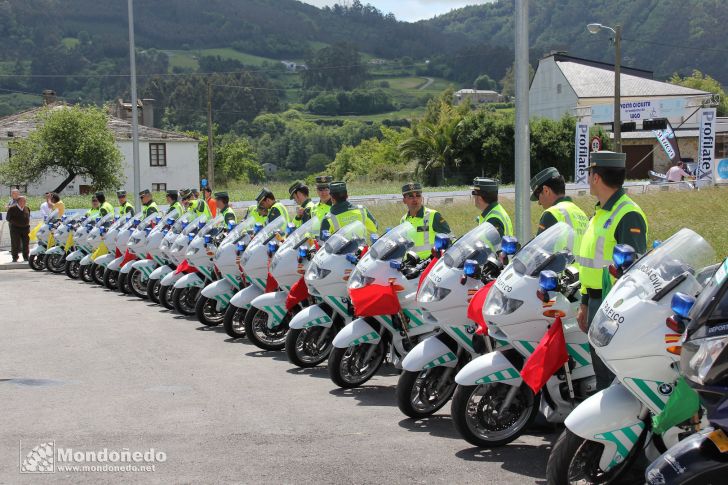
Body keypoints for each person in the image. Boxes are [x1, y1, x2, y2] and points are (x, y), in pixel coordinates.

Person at [577, 151, 648, 391]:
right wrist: (585, 302)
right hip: (596, 302)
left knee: (610, 379)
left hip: (614, 308)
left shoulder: (627, 214)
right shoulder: (600, 212)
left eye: (589, 174)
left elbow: (634, 271)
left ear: (596, 177)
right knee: (601, 375)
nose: (588, 179)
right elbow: (591, 265)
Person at [530, 167, 589, 241]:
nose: (539, 203)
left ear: (546, 191)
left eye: (538, 196)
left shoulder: (551, 214)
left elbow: (538, 249)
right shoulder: (581, 214)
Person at [400, 182, 451, 259]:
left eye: (418, 195)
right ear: (404, 200)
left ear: (422, 198)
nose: (415, 199)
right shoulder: (403, 220)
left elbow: (450, 237)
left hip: (428, 264)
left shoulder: (433, 215)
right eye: (411, 196)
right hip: (409, 264)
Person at [7, 195, 30, 262]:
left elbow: (28, 217)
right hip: (15, 229)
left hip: (25, 229)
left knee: (26, 243)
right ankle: (15, 257)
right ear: (19, 201)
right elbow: (8, 218)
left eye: (25, 201)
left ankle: (26, 257)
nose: (24, 202)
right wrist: (16, 223)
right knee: (15, 243)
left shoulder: (27, 208)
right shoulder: (12, 208)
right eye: (23, 201)